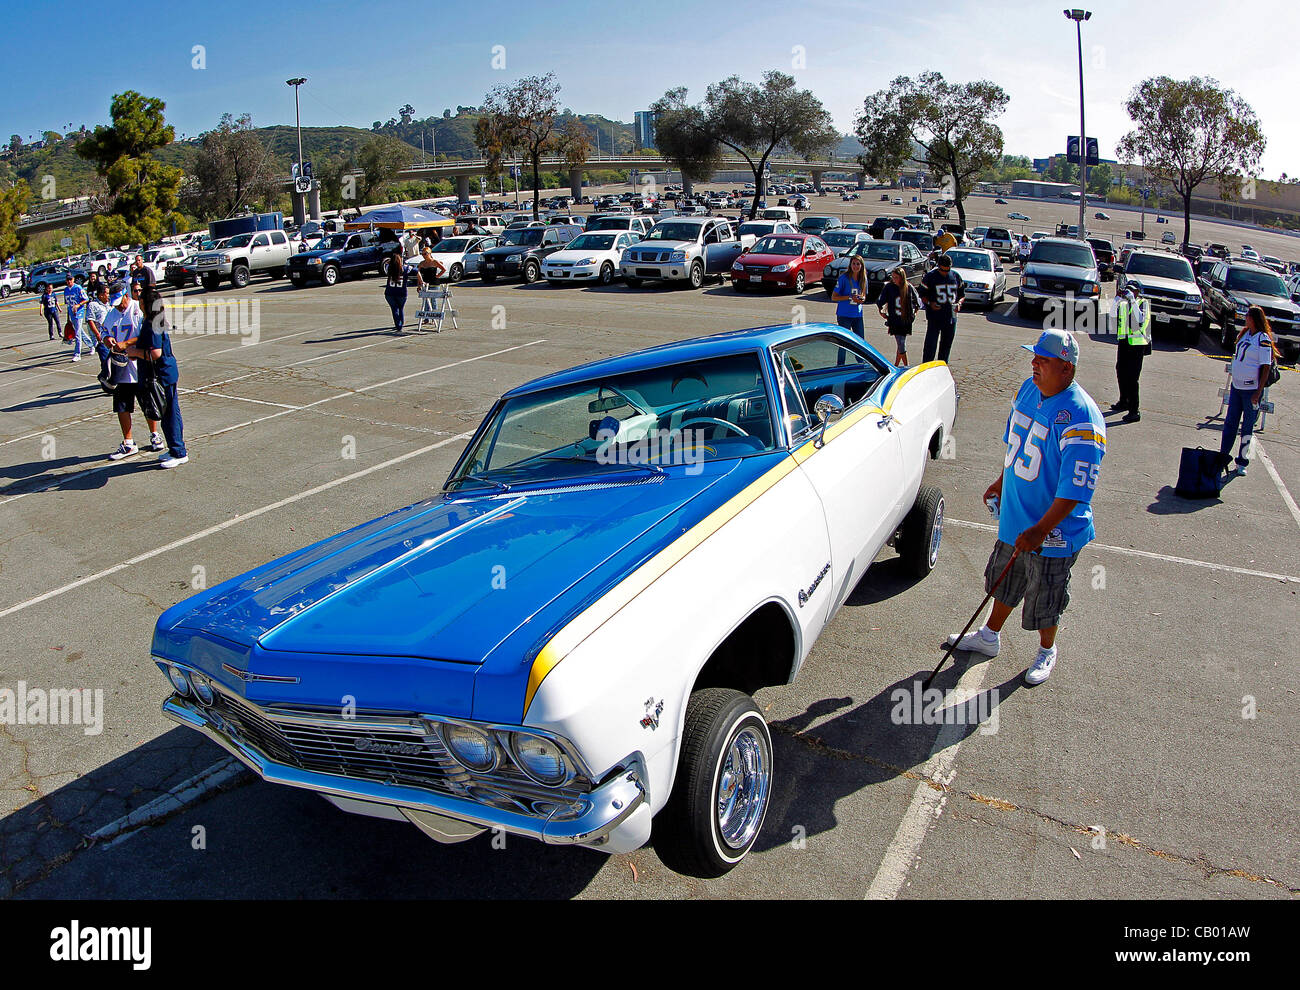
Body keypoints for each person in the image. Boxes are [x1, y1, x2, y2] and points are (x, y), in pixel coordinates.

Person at [947, 330, 1106, 686]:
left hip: (1053, 532)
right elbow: (1015, 449)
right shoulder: (1028, 389)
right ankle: (989, 635)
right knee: (1003, 580)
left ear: (1066, 368)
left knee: (1045, 595)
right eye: (1034, 357)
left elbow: (1075, 490)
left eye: (1043, 360)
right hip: (1016, 517)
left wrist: (1039, 530)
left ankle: (1047, 650)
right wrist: (1000, 482)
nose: (1034, 364)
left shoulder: (1082, 418)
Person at [100, 282, 163, 460]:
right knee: (122, 406)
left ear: (127, 296)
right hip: (120, 368)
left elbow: (146, 333)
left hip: (138, 365)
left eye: (121, 301)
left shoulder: (138, 310)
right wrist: (108, 339)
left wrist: (126, 344)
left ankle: (155, 435)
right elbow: (104, 331)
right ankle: (128, 443)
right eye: (116, 302)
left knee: (147, 404)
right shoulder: (111, 314)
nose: (119, 305)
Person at [133, 281, 187, 468]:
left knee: (169, 413)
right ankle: (175, 448)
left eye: (140, 298)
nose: (138, 301)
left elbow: (155, 352)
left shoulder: (152, 323)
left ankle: (179, 452)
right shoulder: (152, 320)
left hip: (163, 374)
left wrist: (134, 352)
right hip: (165, 373)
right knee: (170, 412)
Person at [1218, 306, 1276, 478]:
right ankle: (1222, 457)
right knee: (1230, 424)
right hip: (1237, 387)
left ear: (1254, 318)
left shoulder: (1263, 339)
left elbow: (1265, 367)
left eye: (1248, 316)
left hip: (1251, 390)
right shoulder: (1244, 334)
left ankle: (1242, 462)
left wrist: (1258, 392)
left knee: (1247, 428)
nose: (1245, 318)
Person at [1111, 281, 1151, 422]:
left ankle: (1134, 411)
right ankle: (1123, 401)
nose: (1129, 292)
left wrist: (1132, 300)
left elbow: (1140, 319)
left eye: (1132, 290)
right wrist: (1117, 298)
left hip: (1138, 344)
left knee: (1132, 378)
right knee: (1120, 371)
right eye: (1128, 290)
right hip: (1124, 342)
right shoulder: (1123, 303)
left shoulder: (1142, 303)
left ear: (1138, 292)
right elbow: (1111, 314)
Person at [920, 253, 965, 364]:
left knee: (946, 346)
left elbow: (962, 295)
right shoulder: (930, 277)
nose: (945, 273)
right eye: (942, 270)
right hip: (935, 317)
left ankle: (942, 367)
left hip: (950, 318)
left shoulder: (955, 276)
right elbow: (922, 295)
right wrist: (930, 303)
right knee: (930, 345)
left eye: (947, 270)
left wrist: (959, 303)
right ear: (938, 266)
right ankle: (926, 368)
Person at [877, 266, 921, 367]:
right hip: (894, 320)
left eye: (896, 277)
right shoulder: (889, 287)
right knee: (901, 343)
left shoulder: (908, 287)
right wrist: (881, 311)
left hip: (905, 320)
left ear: (902, 277)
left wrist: (914, 314)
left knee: (901, 343)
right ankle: (905, 366)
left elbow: (917, 302)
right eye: (893, 277)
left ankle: (897, 365)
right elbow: (880, 301)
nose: (894, 280)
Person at [830, 253, 868, 338]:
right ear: (850, 265)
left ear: (861, 266)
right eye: (853, 264)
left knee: (860, 342)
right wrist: (850, 297)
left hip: (857, 315)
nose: (855, 266)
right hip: (844, 315)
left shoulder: (863, 279)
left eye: (858, 264)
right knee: (845, 342)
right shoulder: (843, 278)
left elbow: (864, 295)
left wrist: (862, 299)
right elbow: (834, 297)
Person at [85, 282, 113, 391]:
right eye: (106, 293)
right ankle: (104, 378)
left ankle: (108, 379)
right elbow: (90, 321)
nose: (108, 295)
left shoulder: (109, 304)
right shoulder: (93, 305)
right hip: (101, 340)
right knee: (106, 361)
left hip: (111, 337)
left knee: (113, 361)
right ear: (100, 295)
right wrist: (97, 334)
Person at [383, 248, 415, 333]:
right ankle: (401, 323)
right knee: (401, 308)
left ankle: (398, 324)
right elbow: (415, 270)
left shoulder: (388, 268)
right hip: (401, 292)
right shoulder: (405, 268)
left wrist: (389, 262)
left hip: (390, 292)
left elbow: (386, 264)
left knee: (394, 309)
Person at [63, 272, 90, 362]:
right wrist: (68, 318)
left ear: (73, 279)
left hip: (79, 313)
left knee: (77, 334)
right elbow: (68, 304)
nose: (69, 281)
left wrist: (78, 305)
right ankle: (91, 345)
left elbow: (86, 299)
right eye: (67, 280)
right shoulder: (66, 290)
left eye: (70, 279)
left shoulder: (78, 288)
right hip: (72, 313)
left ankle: (77, 354)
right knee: (80, 331)